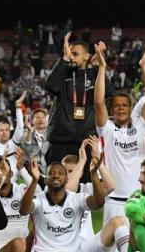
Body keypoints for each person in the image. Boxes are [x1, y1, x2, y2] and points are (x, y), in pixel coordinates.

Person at [18, 158, 141, 252]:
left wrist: (94, 174)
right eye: (51, 173)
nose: (56, 176)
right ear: (46, 179)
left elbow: (98, 203)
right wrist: (34, 180)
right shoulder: (38, 200)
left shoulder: (76, 199)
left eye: (60, 173)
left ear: (66, 179)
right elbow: (23, 210)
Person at [94, 41, 145, 224]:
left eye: (124, 105)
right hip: (113, 201)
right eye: (116, 106)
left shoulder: (142, 127)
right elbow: (98, 102)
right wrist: (102, 67)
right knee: (113, 243)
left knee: (141, 242)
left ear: (130, 109)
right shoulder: (106, 129)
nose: (120, 108)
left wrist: (144, 68)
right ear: (111, 110)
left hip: (140, 199)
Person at [45, 32, 112, 165]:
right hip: (60, 141)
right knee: (57, 176)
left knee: (87, 178)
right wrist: (64, 58)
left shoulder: (94, 75)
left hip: (86, 141)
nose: (71, 57)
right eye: (70, 53)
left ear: (86, 56)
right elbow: (50, 86)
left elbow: (108, 92)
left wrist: (97, 67)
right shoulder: (64, 73)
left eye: (75, 54)